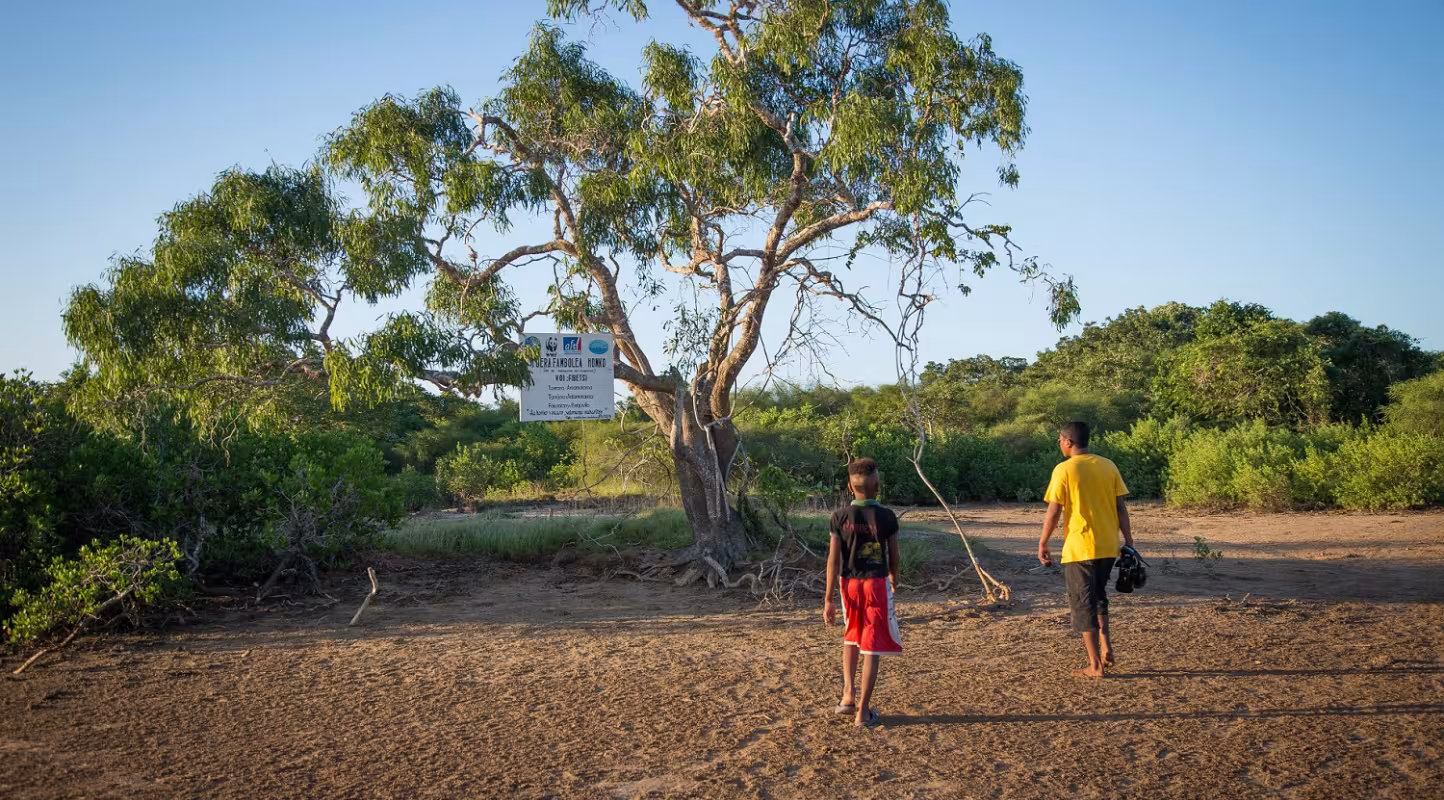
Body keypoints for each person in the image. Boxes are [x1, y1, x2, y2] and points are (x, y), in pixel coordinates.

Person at [1037, 421, 1133, 678]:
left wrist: (1043, 542)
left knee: (1082, 605)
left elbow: (1054, 510)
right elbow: (1121, 507)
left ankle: (1095, 666)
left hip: (1079, 548)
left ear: (1068, 441)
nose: (1058, 444)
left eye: (1059, 440)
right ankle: (1107, 650)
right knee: (1099, 597)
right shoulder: (1108, 465)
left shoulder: (1064, 469)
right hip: (1107, 546)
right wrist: (1129, 542)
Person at [823, 457, 902, 727]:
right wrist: (894, 577)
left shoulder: (839, 517)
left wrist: (828, 598)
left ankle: (848, 696)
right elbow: (894, 555)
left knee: (851, 636)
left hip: (849, 585)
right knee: (872, 645)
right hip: (876, 584)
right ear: (877, 486)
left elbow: (833, 560)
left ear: (849, 486)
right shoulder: (887, 517)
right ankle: (863, 712)